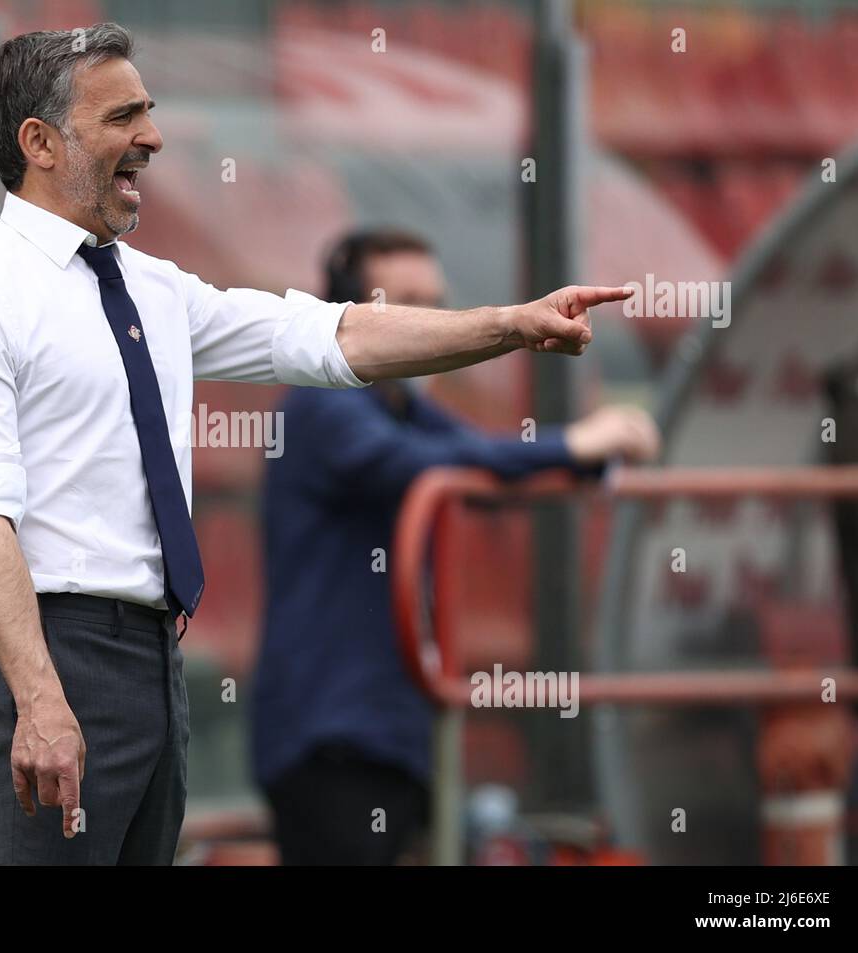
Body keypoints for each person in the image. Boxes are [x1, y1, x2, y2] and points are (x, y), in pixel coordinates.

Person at [0, 23, 633, 865]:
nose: (154, 136)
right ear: (39, 142)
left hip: (148, 659)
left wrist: (507, 325)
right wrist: (38, 700)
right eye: (123, 117)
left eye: (148, 111)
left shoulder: (154, 288)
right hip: (53, 656)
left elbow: (333, 337)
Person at [249, 229, 660, 865]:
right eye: (405, 302)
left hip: (392, 734)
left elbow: (484, 456)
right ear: (349, 316)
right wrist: (577, 446)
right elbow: (429, 463)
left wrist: (586, 456)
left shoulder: (398, 403)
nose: (428, 321)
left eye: (435, 302)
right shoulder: (323, 405)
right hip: (330, 742)